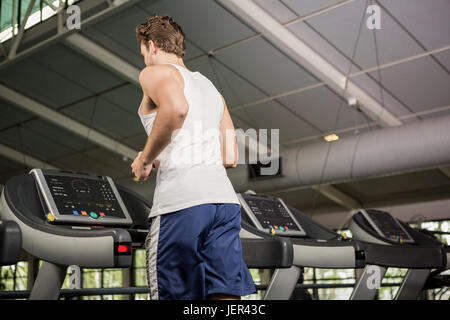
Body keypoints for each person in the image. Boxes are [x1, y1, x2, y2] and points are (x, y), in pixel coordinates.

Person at [131, 14, 256, 300]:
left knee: (174, 294)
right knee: (224, 295)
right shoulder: (210, 87)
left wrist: (146, 158)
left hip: (183, 203)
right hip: (224, 203)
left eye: (143, 52)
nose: (144, 60)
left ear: (152, 46)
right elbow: (230, 155)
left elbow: (176, 109)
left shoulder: (154, 72)